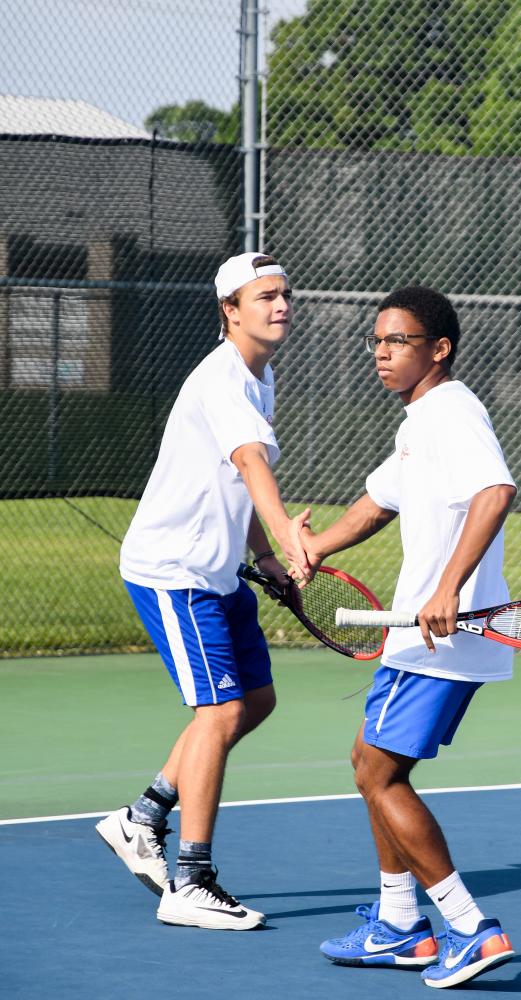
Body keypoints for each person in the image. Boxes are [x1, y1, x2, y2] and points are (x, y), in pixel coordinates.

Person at [301, 286, 517, 988]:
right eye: (376, 342)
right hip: (421, 635)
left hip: (442, 634)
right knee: (371, 760)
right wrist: (312, 551)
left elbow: (494, 491)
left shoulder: (451, 412)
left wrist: (449, 586)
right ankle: (399, 925)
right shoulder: (420, 423)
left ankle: (470, 928)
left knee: (377, 771)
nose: (381, 354)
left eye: (396, 341)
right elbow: (374, 505)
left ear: (438, 348)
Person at [96, 251, 311, 930]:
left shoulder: (260, 377)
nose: (279, 306)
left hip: (218, 573)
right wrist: (289, 539)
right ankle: (189, 881)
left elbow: (231, 484)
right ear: (230, 311)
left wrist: (265, 558)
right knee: (217, 715)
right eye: (264, 297)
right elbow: (250, 467)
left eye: (284, 295)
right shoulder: (222, 381)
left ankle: (143, 817)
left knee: (255, 701)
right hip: (175, 571)